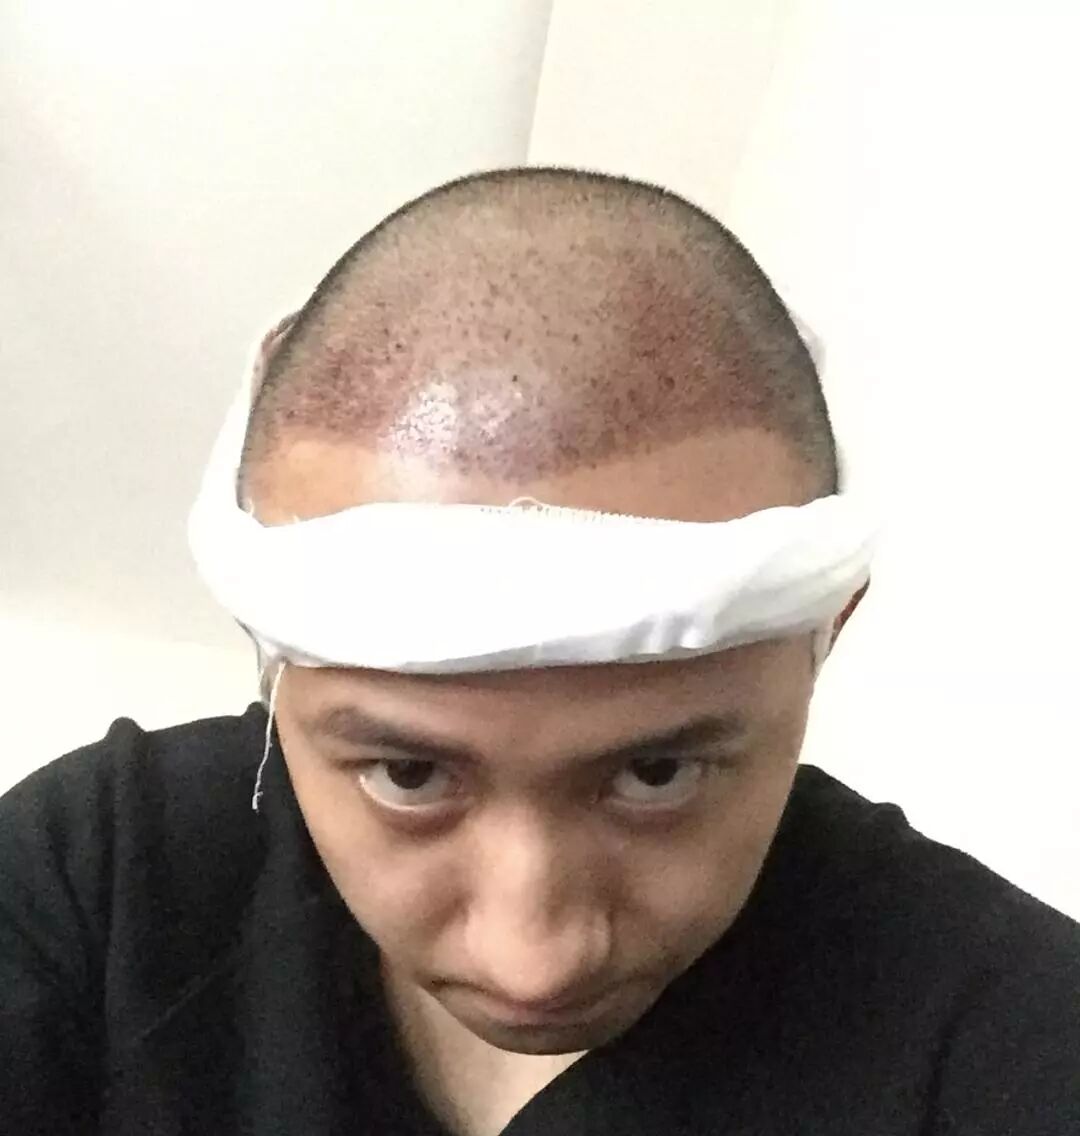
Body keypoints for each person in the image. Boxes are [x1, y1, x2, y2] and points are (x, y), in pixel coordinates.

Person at [1, 168, 1077, 1136]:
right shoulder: (102, 880)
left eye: (658, 772)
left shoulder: (1008, 1040)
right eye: (408, 774)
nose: (535, 958)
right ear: (272, 666)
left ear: (825, 631)